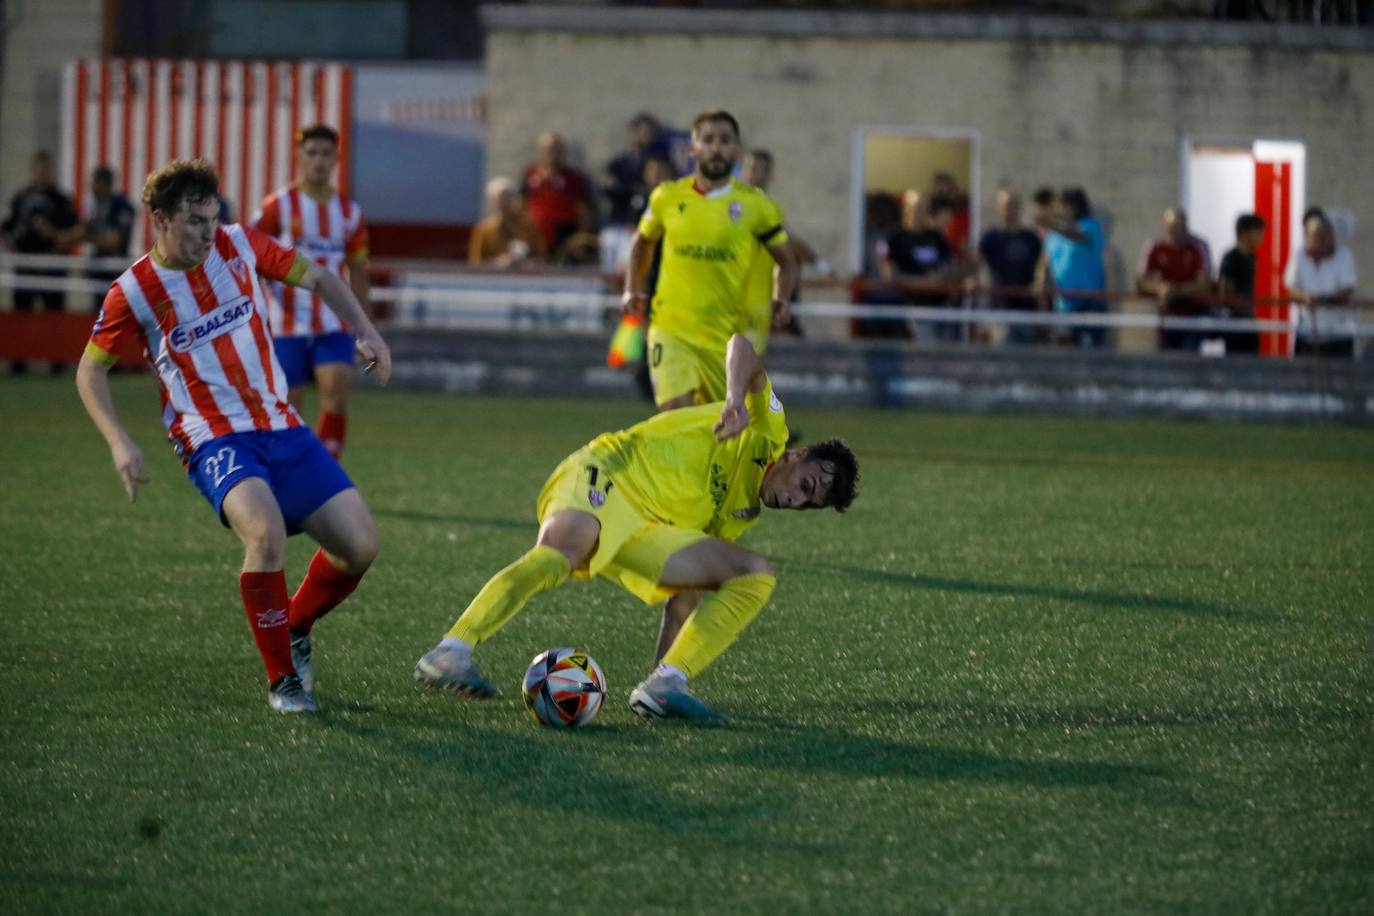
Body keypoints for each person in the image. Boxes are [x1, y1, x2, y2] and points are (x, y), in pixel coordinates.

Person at [75, 158, 392, 714]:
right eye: (195, 221)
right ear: (160, 219)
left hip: (281, 424)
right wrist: (118, 441)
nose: (208, 233)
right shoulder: (135, 291)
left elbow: (321, 277)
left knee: (360, 546)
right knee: (264, 532)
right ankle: (283, 681)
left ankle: (294, 627)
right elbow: (89, 370)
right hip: (212, 438)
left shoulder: (240, 244)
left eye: (213, 218)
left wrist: (366, 330)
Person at [414, 333, 858, 723]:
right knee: (563, 551)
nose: (796, 500)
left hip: (645, 528)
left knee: (754, 574)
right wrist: (735, 398)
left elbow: (684, 598)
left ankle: (668, 683)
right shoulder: (767, 429)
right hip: (610, 472)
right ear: (796, 456)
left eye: (809, 504)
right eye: (805, 485)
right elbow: (742, 346)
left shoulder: (742, 512)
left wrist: (663, 673)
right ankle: (451, 650)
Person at [621, 110, 799, 411]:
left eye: (725, 140)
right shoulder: (667, 196)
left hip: (725, 336)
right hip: (671, 328)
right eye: (708, 140)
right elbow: (642, 241)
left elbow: (787, 261)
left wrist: (781, 296)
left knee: (718, 424)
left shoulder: (755, 205)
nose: (716, 148)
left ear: (737, 150)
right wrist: (632, 288)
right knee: (675, 414)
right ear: (693, 148)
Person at [251, 124, 370, 460]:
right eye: (312, 153)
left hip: (333, 322)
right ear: (299, 157)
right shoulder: (278, 206)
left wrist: (365, 326)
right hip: (285, 322)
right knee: (289, 405)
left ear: (336, 159)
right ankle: (288, 469)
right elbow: (249, 253)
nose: (319, 160)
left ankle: (327, 472)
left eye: (326, 154)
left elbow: (359, 270)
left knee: (336, 393)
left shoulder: (350, 213)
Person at [737, 148, 828, 352]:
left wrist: (820, 264)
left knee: (745, 361)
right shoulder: (727, 205)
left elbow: (788, 242)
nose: (752, 174)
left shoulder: (769, 209)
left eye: (758, 169)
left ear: (768, 175)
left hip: (756, 302)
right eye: (748, 168)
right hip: (727, 299)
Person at [1, 151, 81, 372]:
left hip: (53, 265)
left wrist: (52, 234)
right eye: (39, 168)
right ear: (33, 170)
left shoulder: (61, 200)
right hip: (25, 265)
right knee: (22, 315)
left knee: (54, 315)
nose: (42, 173)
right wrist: (12, 249)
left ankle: (57, 363)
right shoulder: (21, 198)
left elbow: (75, 231)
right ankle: (18, 363)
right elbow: (7, 228)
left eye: (46, 169)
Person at [1035, 187, 1108, 348]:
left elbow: (1076, 236)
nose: (1056, 210)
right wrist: (1041, 284)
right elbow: (1045, 263)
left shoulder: (1091, 226)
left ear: (1072, 207)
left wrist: (1053, 223)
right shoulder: (1052, 235)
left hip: (1089, 304)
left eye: (1060, 205)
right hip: (1063, 307)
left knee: (1090, 354)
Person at [880, 190, 956, 341]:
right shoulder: (894, 238)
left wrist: (939, 277)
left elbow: (950, 264)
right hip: (913, 307)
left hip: (941, 306)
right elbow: (888, 273)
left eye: (924, 208)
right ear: (907, 209)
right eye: (917, 208)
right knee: (927, 347)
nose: (921, 213)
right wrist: (918, 283)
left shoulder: (936, 236)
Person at [1136, 207, 1212, 352]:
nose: (1176, 232)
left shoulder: (1199, 246)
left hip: (1193, 317)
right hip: (1166, 316)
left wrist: (1175, 291)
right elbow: (1140, 281)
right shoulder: (1154, 245)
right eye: (1172, 228)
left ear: (1186, 227)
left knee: (1188, 359)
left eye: (1180, 227)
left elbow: (1204, 284)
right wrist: (1158, 288)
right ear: (1165, 227)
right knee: (1165, 359)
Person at [1287, 210, 1359, 358]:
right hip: (1307, 332)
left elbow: (1347, 289)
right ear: (1308, 237)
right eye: (1316, 236)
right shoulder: (1299, 255)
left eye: (1326, 235)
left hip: (1337, 334)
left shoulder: (1343, 256)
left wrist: (1323, 300)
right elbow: (1291, 287)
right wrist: (1305, 297)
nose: (1323, 240)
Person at [976, 188, 1043, 344]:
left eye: (1013, 206)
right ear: (998, 208)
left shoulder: (1031, 238)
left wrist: (1040, 285)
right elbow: (975, 264)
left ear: (1019, 208)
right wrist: (972, 280)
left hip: (1027, 310)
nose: (1009, 211)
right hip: (999, 310)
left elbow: (1042, 267)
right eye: (1005, 206)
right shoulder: (990, 238)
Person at [522, 131, 595, 259]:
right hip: (536, 238)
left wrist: (581, 239)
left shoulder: (573, 178)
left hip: (565, 237)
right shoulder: (530, 174)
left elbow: (583, 211)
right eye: (547, 149)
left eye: (556, 149)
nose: (551, 153)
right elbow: (522, 205)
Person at [603, 113, 668, 227]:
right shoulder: (619, 163)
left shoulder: (658, 162)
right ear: (634, 133)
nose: (648, 136)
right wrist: (634, 189)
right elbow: (609, 186)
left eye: (652, 132)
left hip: (648, 222)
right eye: (645, 132)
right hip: (621, 220)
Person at [83, 165, 138, 299]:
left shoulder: (121, 206)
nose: (92, 188)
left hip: (116, 270)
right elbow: (82, 229)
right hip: (99, 270)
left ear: (104, 184)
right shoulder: (96, 207)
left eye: (94, 184)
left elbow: (114, 242)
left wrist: (86, 236)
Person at [468, 176, 547, 268]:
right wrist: (498, 263)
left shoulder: (528, 226)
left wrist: (527, 263)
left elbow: (541, 257)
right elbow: (475, 263)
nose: (503, 202)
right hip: (494, 275)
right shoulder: (484, 229)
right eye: (499, 198)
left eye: (507, 197)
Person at [1216, 213, 1266, 355]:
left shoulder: (1252, 257)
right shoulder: (1230, 258)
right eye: (1258, 232)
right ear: (1244, 233)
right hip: (1235, 322)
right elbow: (1225, 291)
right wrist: (1240, 307)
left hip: (1249, 319)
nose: (1261, 237)